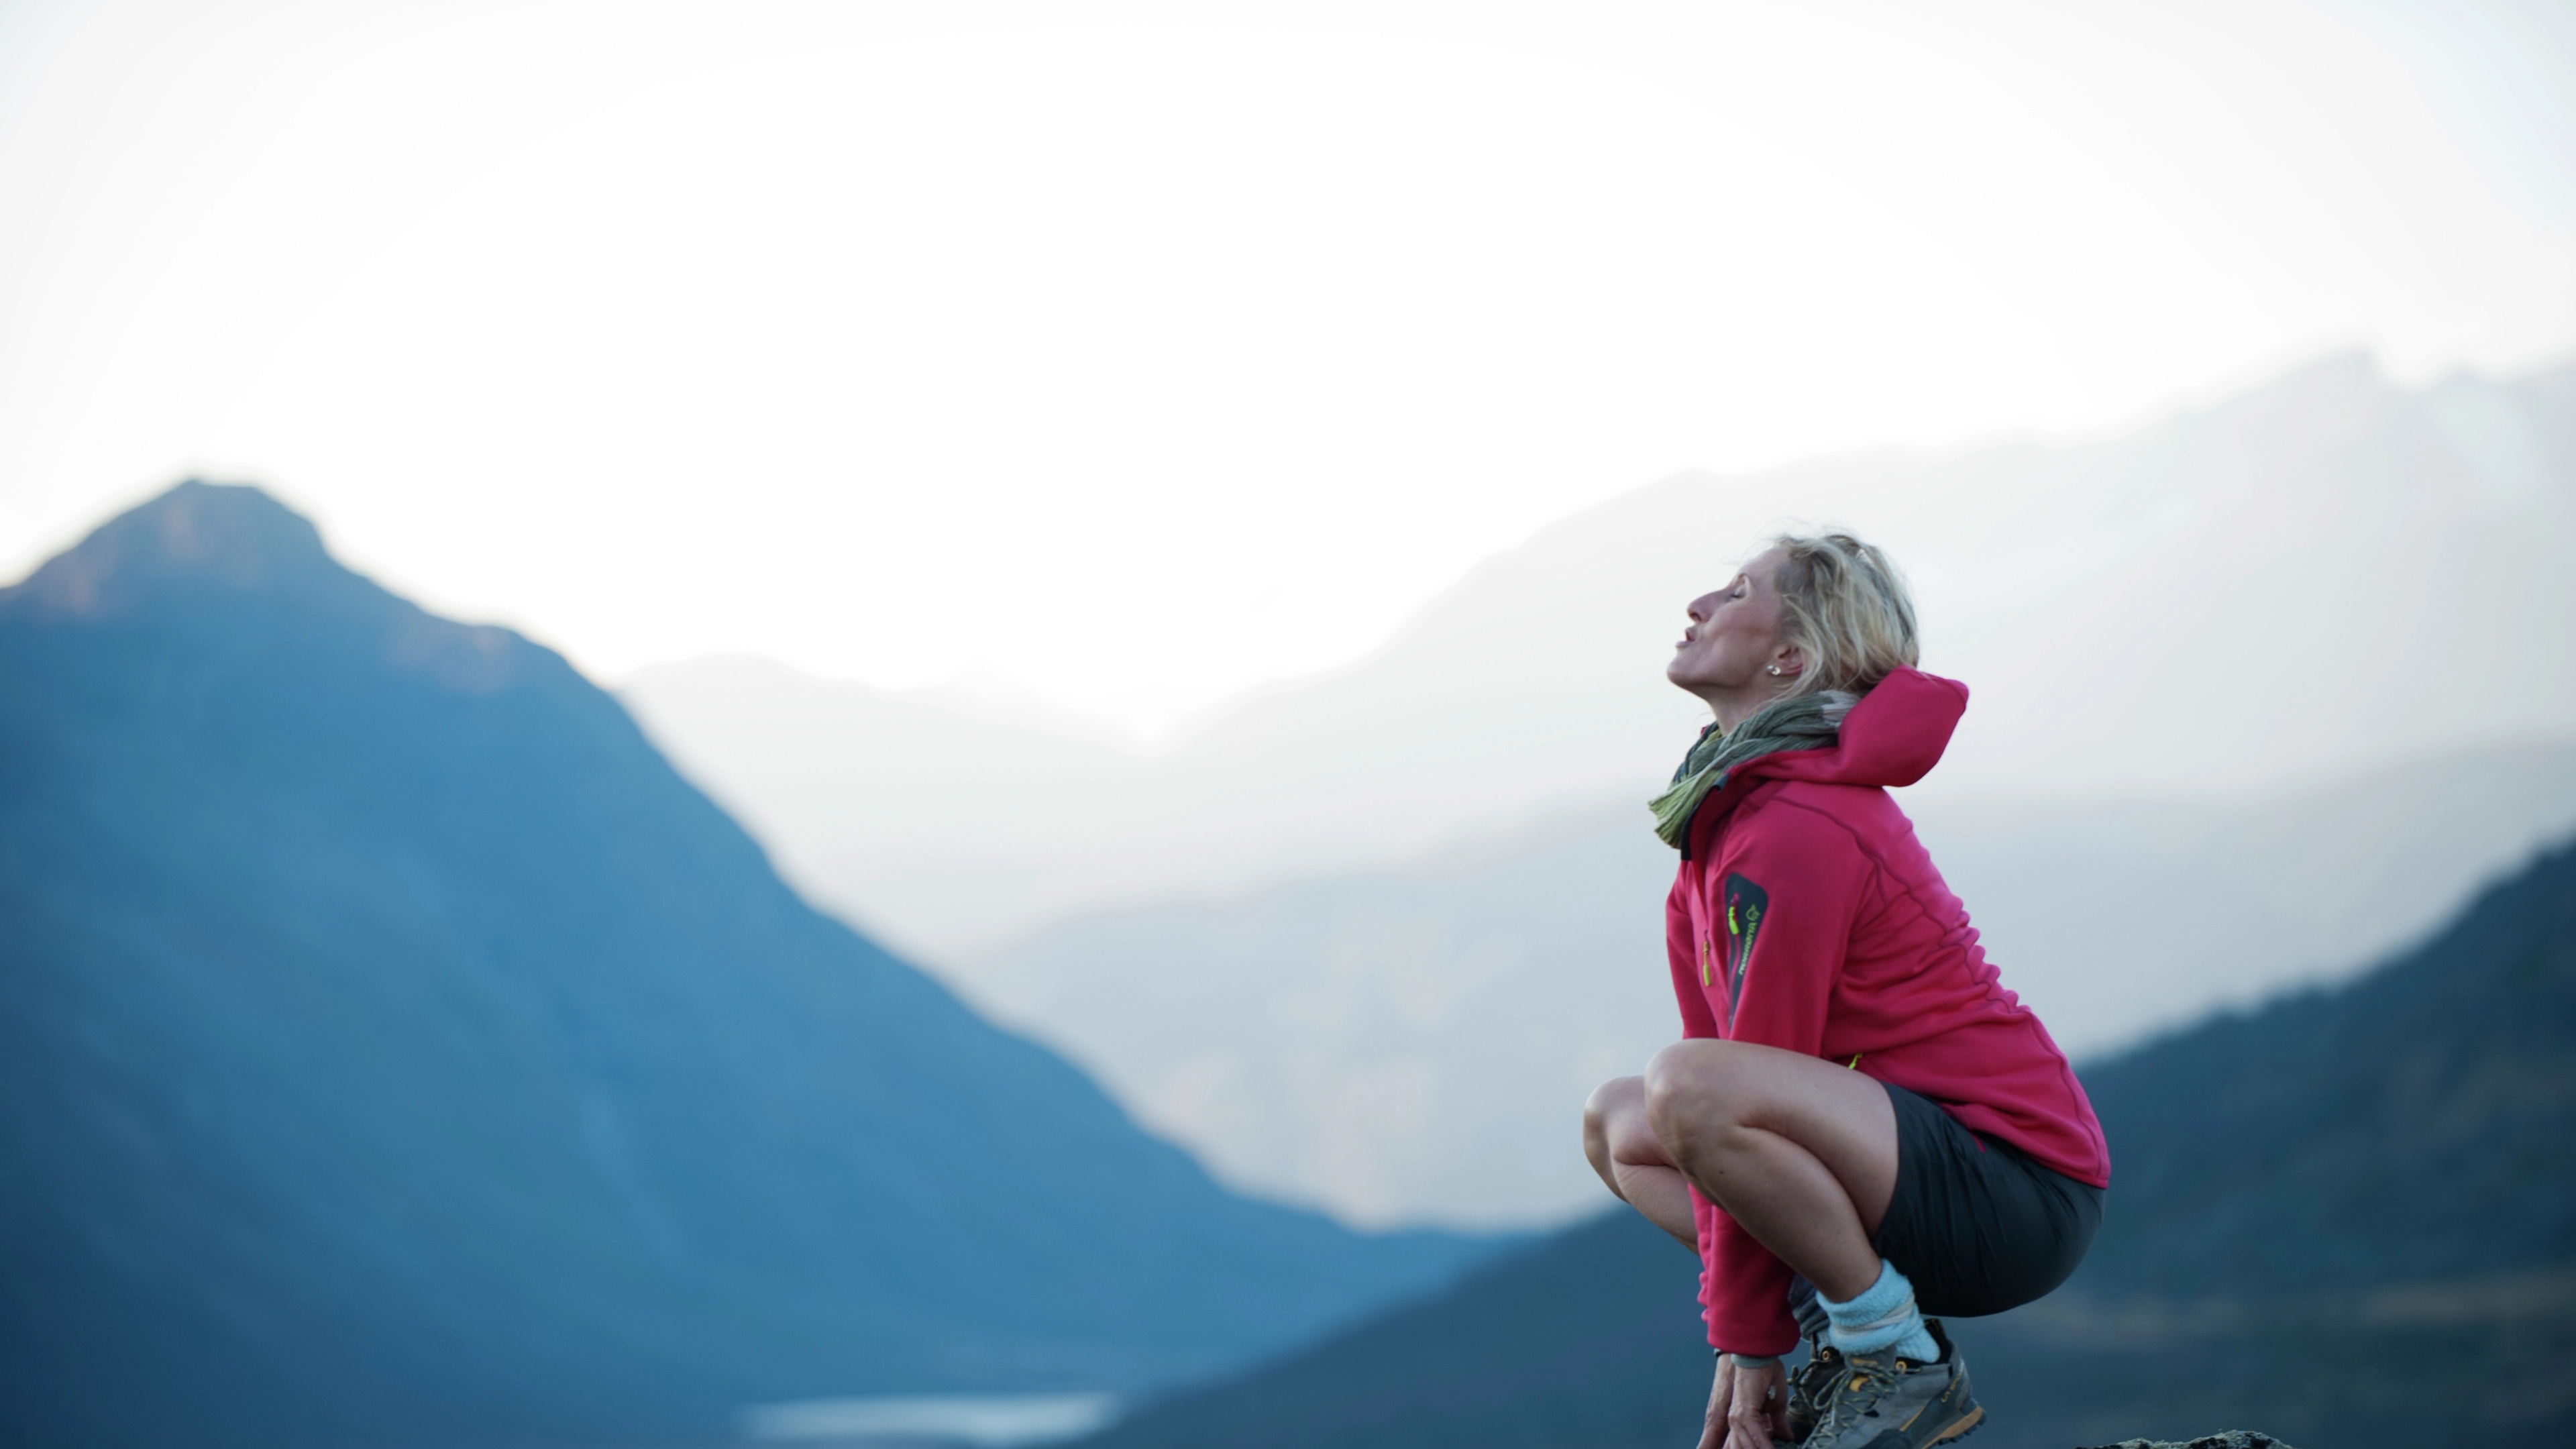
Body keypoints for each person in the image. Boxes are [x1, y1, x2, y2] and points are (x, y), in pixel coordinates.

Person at [1580, 533, 2109, 1449]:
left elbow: (1738, 1082)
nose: (1699, 604)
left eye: (1738, 592)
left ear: (1788, 659)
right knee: (1622, 1125)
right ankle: (1848, 1331)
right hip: (1896, 1170)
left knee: (1685, 1088)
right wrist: (1743, 1334)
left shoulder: (1801, 824)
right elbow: (1711, 1132)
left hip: (2013, 1184)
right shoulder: (1718, 833)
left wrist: (1747, 1351)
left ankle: (1895, 1359)